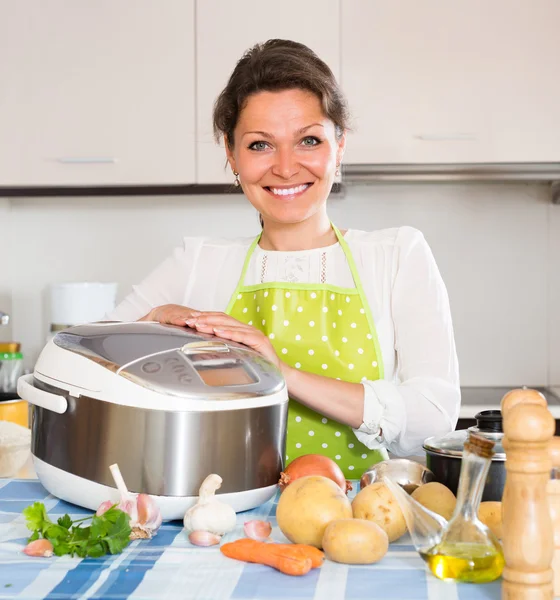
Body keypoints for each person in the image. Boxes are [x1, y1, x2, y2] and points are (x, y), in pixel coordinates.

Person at [106, 39, 460, 478]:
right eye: (260, 145)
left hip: (356, 522)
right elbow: (86, 362)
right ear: (231, 154)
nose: (287, 167)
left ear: (340, 145)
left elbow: (432, 418)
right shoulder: (199, 262)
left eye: (309, 140)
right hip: (220, 524)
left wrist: (279, 372)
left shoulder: (396, 255)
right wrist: (154, 320)